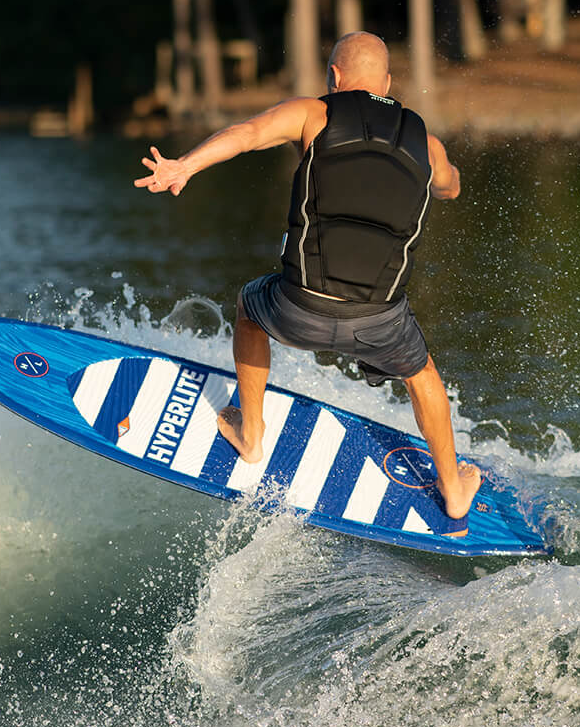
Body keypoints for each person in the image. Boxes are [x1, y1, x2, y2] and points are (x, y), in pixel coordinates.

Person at [134, 31, 482, 521]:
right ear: (387, 82)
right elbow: (450, 188)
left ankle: (251, 435)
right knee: (423, 376)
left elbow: (247, 135)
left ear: (334, 77)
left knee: (249, 306)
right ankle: (453, 488)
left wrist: (184, 166)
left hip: (298, 309)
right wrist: (436, 173)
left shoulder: (314, 115)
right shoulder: (426, 143)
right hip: (380, 323)